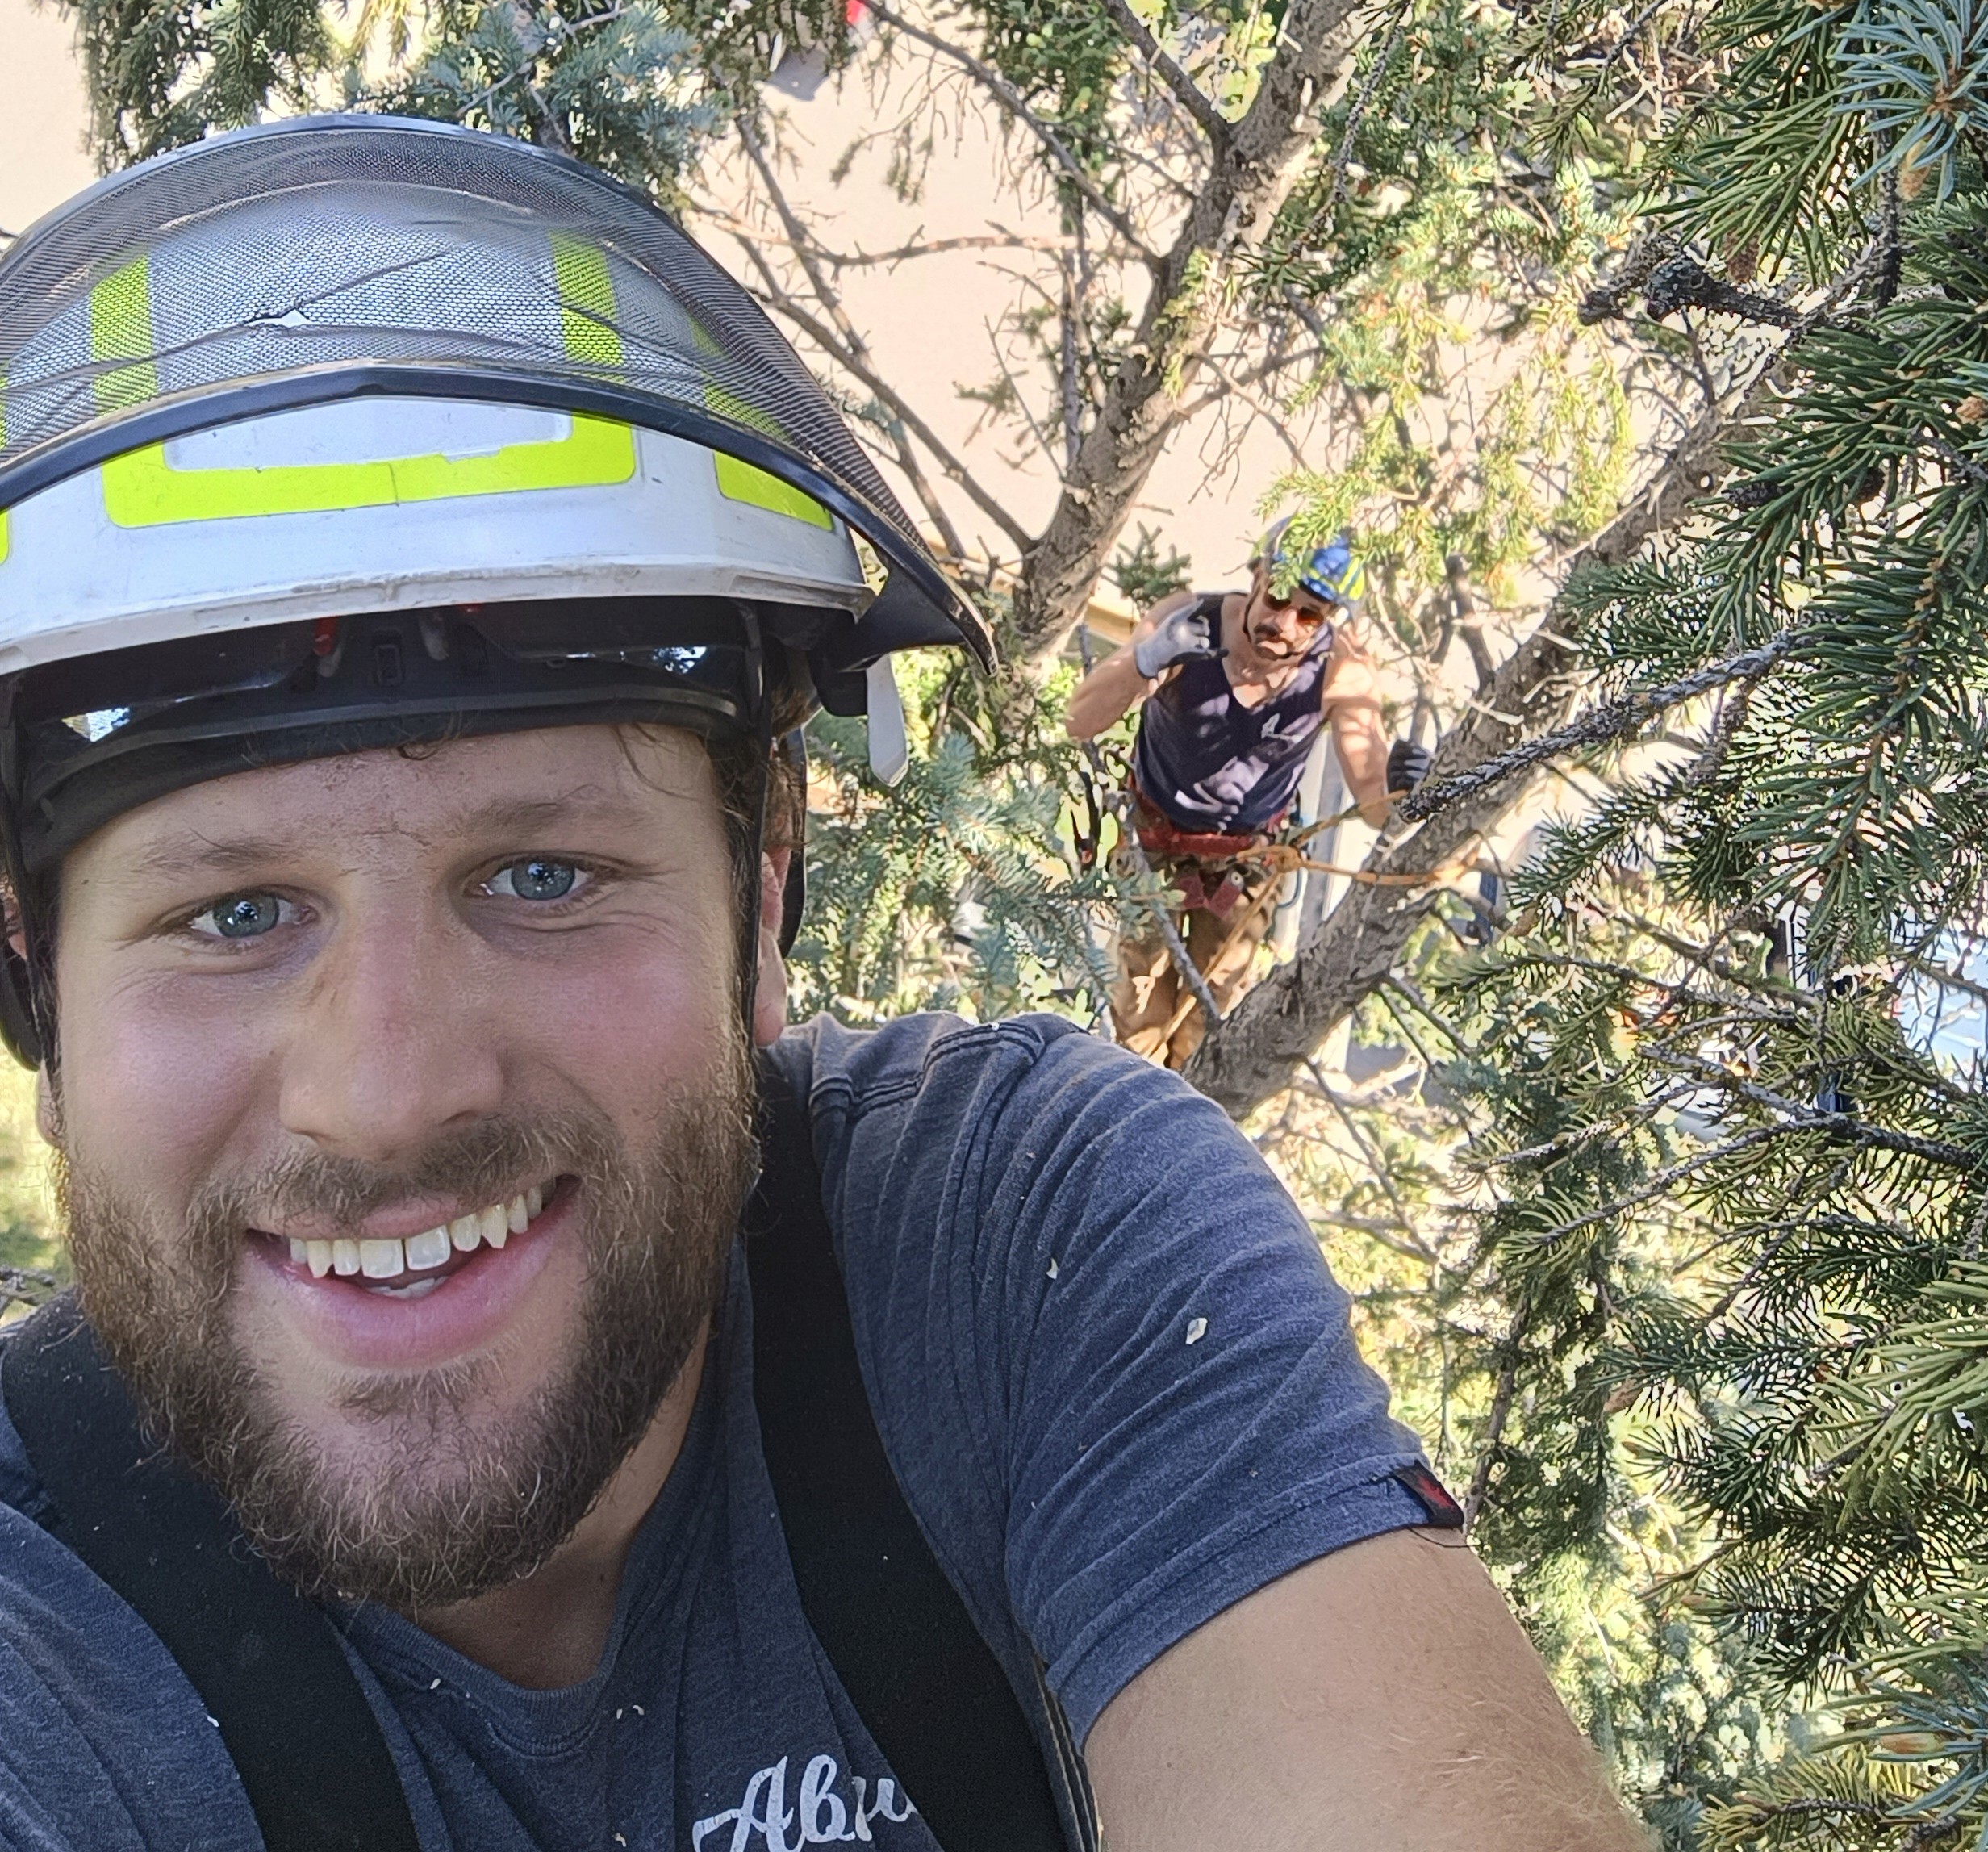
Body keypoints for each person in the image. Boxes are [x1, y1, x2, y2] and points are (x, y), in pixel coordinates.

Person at [0, 116, 1643, 1852]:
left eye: (544, 874)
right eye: (235, 911)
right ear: (33, 982)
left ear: (762, 901)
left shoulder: (1020, 1253)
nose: (391, 1086)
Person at [1065, 528, 1430, 1067]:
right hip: (1155, 839)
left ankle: (1183, 1108)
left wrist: (1407, 791)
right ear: (1258, 576)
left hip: (1246, 863)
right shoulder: (1190, 623)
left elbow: (1374, 801)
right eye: (1279, 597)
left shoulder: (1339, 671)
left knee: (1212, 1010)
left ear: (1329, 619)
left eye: (1309, 615)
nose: (1283, 625)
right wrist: (1149, 659)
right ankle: (1129, 1096)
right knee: (1141, 1003)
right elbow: (1080, 720)